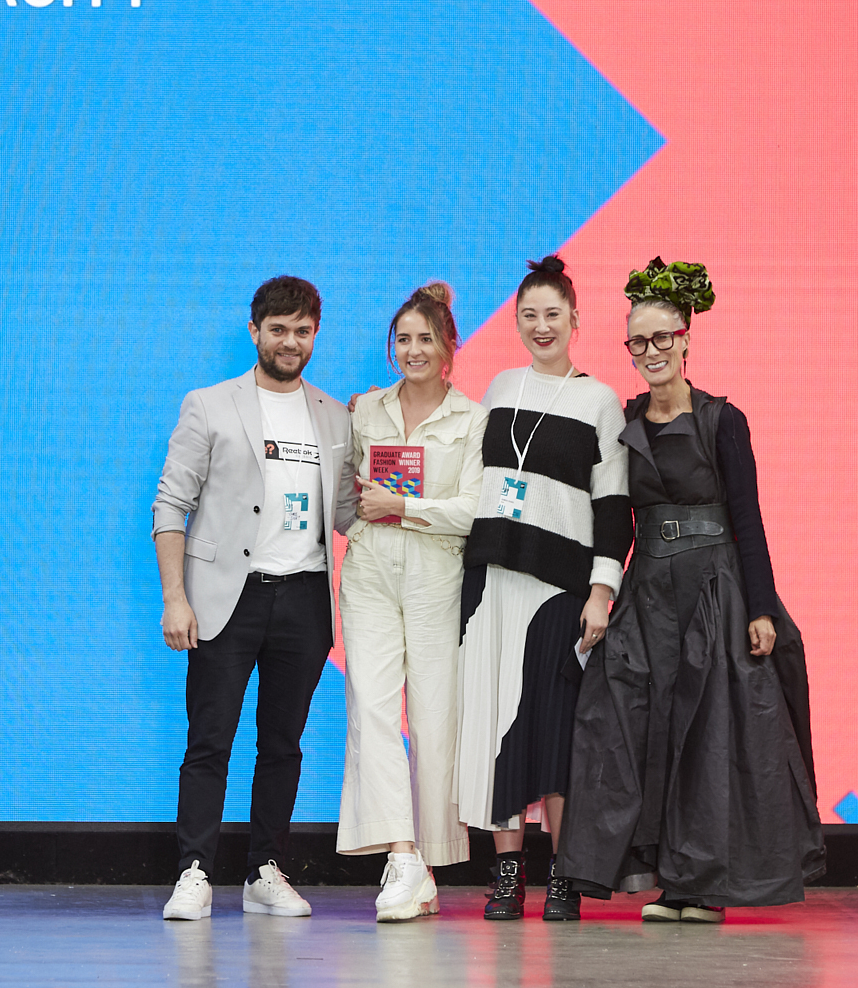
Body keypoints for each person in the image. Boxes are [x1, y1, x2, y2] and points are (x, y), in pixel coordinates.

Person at [555, 257, 824, 923]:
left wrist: (760, 608)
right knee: (637, 726)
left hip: (714, 590)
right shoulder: (624, 422)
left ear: (685, 339)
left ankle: (701, 888)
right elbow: (614, 520)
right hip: (649, 591)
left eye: (661, 338)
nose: (650, 352)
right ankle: (669, 882)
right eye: (637, 342)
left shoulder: (722, 420)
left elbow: (748, 518)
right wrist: (601, 591)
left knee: (712, 737)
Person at [151, 276, 358, 921]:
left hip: (305, 599)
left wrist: (396, 466)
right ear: (255, 332)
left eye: (303, 331)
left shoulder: (335, 415)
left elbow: (346, 513)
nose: (291, 342)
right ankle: (193, 871)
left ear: (315, 336)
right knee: (209, 741)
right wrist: (175, 599)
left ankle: (265, 870)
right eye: (279, 330)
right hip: (225, 599)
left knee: (283, 745)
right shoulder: (210, 405)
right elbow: (170, 505)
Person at [455, 255, 632, 921]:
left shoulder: (600, 401)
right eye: (528, 315)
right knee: (495, 724)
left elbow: (614, 508)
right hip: (492, 581)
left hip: (560, 590)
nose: (541, 326)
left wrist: (601, 590)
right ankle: (507, 874)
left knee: (553, 733)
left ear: (575, 320)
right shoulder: (500, 387)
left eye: (552, 314)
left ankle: (564, 873)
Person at [336, 282, 487, 922]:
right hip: (370, 570)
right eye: (403, 339)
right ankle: (401, 855)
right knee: (371, 708)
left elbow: (476, 509)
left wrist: (404, 506)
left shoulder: (473, 419)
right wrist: (364, 519)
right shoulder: (364, 411)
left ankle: (425, 859)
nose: (413, 350)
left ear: (450, 346)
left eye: (426, 339)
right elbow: (342, 491)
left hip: (436, 574)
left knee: (434, 720)